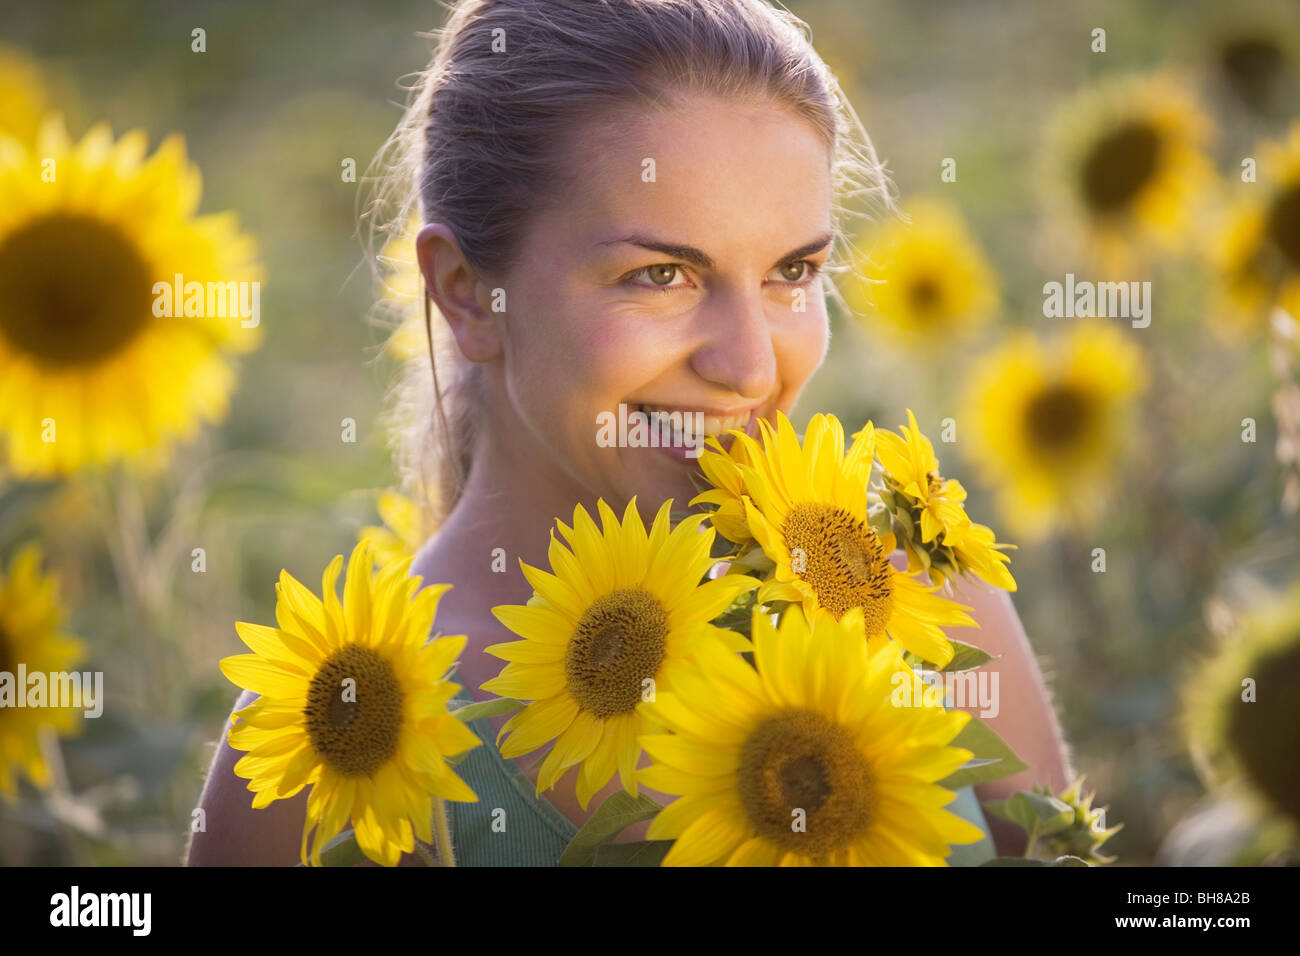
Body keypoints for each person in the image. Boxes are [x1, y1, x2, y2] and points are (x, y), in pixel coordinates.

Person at [189, 0, 1073, 866]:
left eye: (791, 272)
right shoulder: (329, 735)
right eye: (661, 275)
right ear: (466, 292)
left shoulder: (911, 597)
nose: (752, 367)